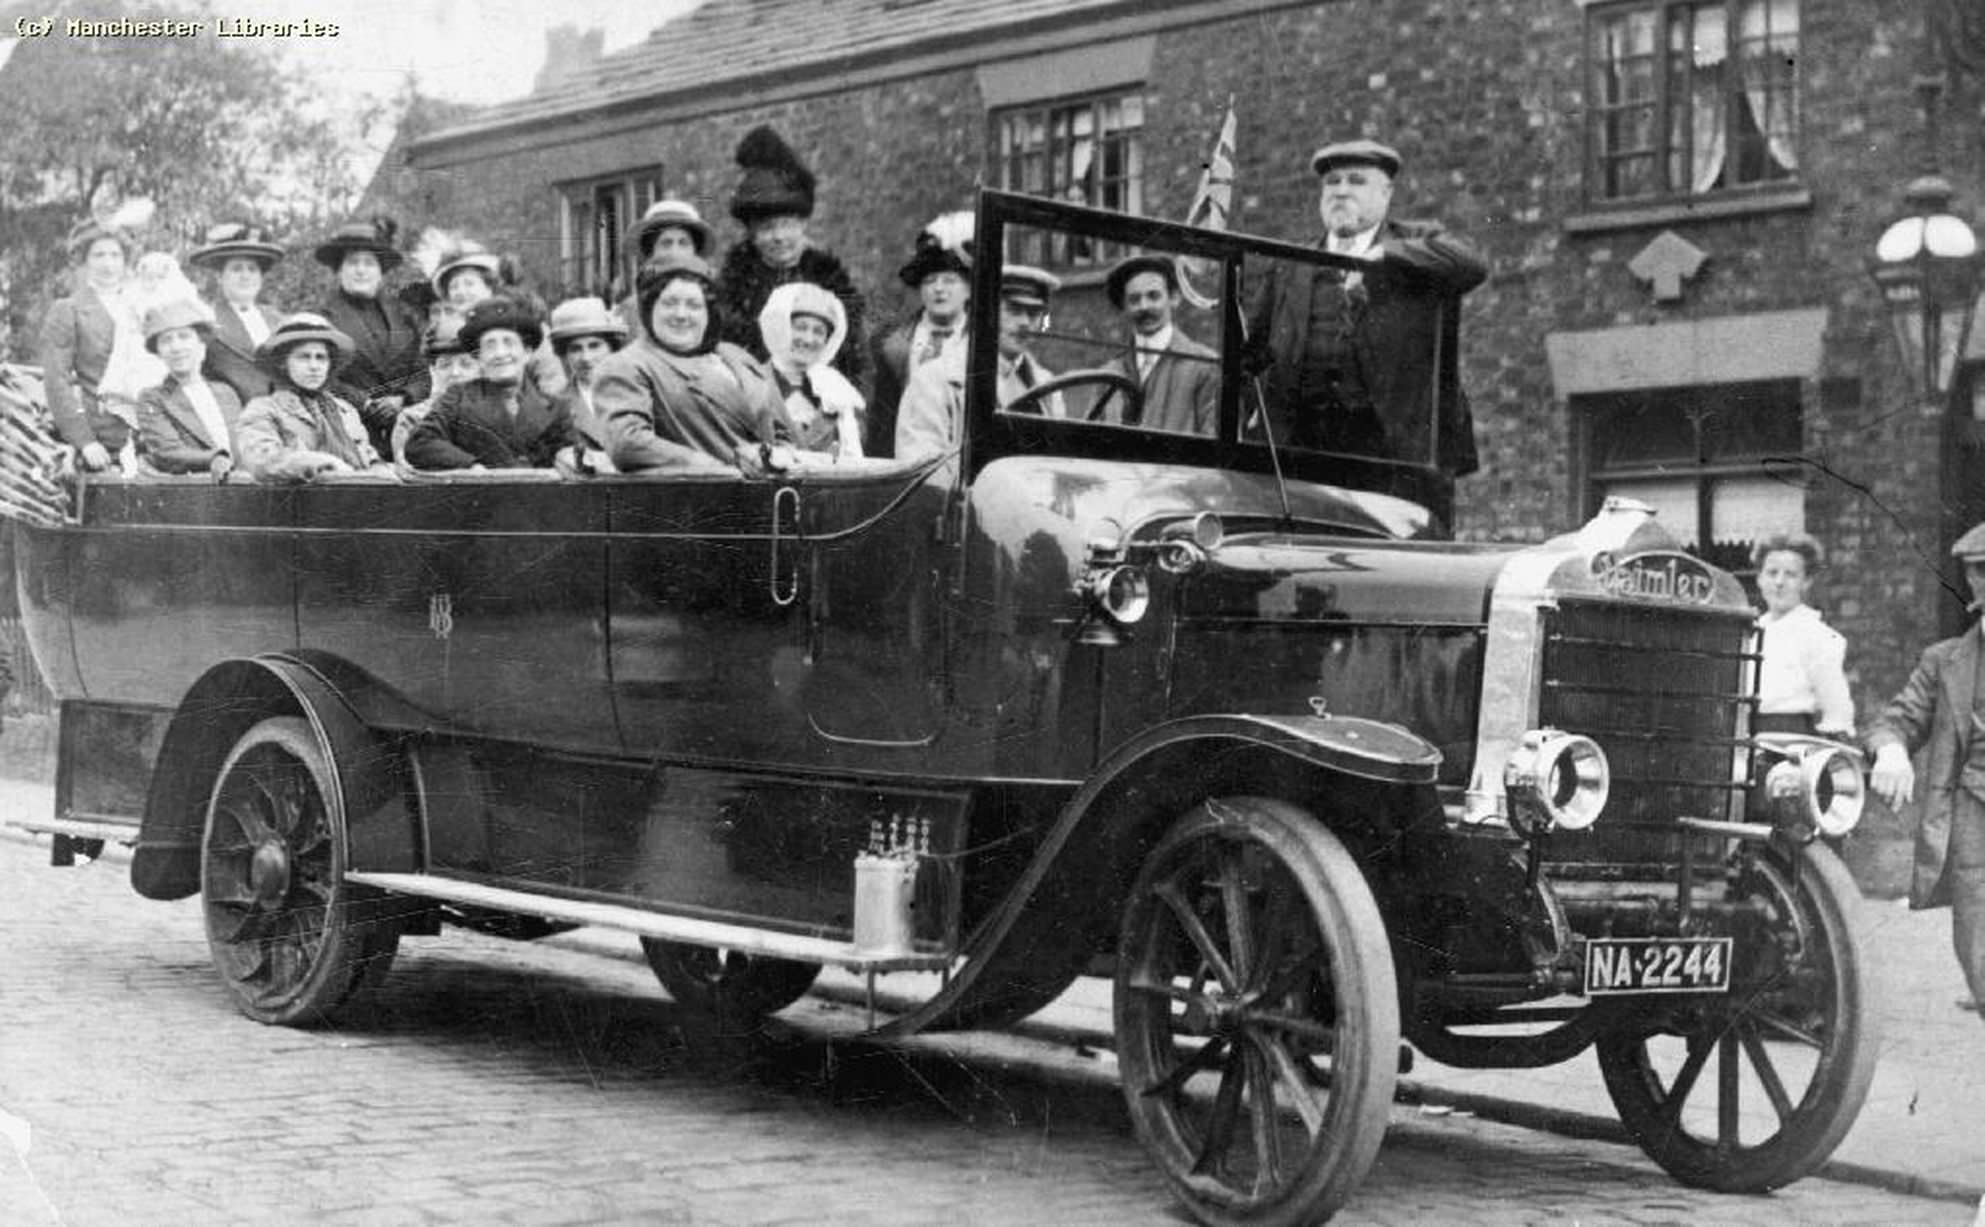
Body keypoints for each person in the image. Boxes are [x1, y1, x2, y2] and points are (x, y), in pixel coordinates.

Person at [1242, 138, 1486, 477]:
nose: (1341, 192)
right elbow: (1252, 352)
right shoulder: (1290, 265)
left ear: (1385, 194)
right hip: (1301, 447)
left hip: (1390, 444)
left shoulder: (1415, 243)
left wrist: (1385, 255)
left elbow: (1472, 264)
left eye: (1356, 181)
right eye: (1332, 182)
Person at [1869, 522, 1985, 1024]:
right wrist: (1891, 750)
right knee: (1977, 930)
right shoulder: (1945, 661)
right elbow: (1895, 721)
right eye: (1980, 572)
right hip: (1973, 812)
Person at [593, 253, 799, 477]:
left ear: (708, 313)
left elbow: (783, 432)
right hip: (698, 499)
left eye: (694, 305)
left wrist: (785, 455)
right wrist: (716, 467)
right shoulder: (628, 365)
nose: (681, 315)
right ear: (649, 308)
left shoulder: (738, 357)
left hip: (771, 499)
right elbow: (628, 443)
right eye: (669, 303)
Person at [712, 125, 867, 389]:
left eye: (787, 225)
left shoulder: (830, 281)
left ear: (803, 225)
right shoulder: (733, 291)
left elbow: (852, 357)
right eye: (767, 228)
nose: (779, 237)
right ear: (752, 233)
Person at [895, 264, 1061, 479]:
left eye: (1033, 314)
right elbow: (920, 471)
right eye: (1014, 311)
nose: (1024, 323)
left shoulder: (1048, 386)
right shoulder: (933, 380)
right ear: (986, 313)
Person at [405, 296, 572, 471]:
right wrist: (471, 465)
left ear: (527, 353)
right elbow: (420, 442)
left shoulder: (556, 408)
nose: (500, 353)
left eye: (509, 343)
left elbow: (572, 452)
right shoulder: (458, 398)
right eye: (490, 346)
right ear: (479, 358)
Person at [313, 217, 427, 455]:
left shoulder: (402, 315)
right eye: (353, 262)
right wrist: (364, 402)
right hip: (348, 434)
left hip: (404, 433)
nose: (361, 270)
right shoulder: (321, 319)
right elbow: (317, 376)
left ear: (380, 272)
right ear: (339, 270)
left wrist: (403, 398)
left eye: (369, 263)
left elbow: (422, 374)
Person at [235, 313, 392, 483]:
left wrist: (380, 469)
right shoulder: (264, 409)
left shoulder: (344, 410)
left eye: (321, 358)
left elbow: (368, 457)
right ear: (283, 363)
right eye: (303, 357)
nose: (314, 367)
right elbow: (262, 462)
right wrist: (321, 463)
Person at [867, 211, 974, 457]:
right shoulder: (890, 343)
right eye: (929, 281)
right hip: (901, 460)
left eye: (949, 281)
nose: (939, 289)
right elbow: (879, 420)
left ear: (968, 289)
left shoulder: (983, 343)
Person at [39, 219, 135, 471]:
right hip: (100, 439)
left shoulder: (140, 307)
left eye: (115, 255)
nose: (108, 263)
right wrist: (84, 441)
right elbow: (56, 381)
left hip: (145, 435)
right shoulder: (68, 310)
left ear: (125, 261)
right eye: (98, 255)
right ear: (85, 261)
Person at [1101, 253, 1220, 436]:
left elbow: (1216, 448)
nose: (1144, 307)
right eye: (1134, 300)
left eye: (1154, 296)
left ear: (1174, 298)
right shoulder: (1109, 374)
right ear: (1124, 308)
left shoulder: (1205, 366)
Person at [1752, 533, 1854, 737]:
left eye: (1790, 574)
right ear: (1759, 578)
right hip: (1746, 740)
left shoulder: (1818, 637)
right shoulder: (1750, 633)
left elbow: (1837, 710)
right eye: (1772, 573)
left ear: (1806, 581)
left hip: (1793, 743)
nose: (1779, 582)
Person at [133, 299, 239, 479]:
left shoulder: (226, 393)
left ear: (201, 345)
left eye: (184, 336)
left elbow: (244, 443)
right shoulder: (152, 399)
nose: (176, 347)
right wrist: (214, 459)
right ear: (159, 353)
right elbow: (169, 452)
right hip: (192, 490)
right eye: (166, 340)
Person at [758, 282, 864, 459]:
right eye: (800, 328)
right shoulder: (755, 381)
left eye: (819, 332)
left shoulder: (835, 391)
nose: (808, 339)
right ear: (781, 327)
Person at [189, 223, 286, 404]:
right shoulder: (206, 321)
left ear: (261, 277)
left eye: (252, 269)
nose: (245, 276)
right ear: (220, 277)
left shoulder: (280, 321)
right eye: (236, 269)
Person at [390, 314, 479, 465]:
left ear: (480, 369)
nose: (455, 373)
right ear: (433, 371)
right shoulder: (412, 419)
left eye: (466, 364)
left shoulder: (497, 410)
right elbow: (408, 472)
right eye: (445, 365)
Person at [546, 296, 629, 456]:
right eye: (576, 349)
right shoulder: (555, 405)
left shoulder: (637, 393)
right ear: (565, 354)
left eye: (594, 346)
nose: (586, 357)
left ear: (612, 348)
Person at [618, 198, 713, 333]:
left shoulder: (714, 299)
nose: (675, 252)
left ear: (695, 250)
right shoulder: (632, 309)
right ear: (651, 251)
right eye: (666, 243)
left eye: (683, 243)